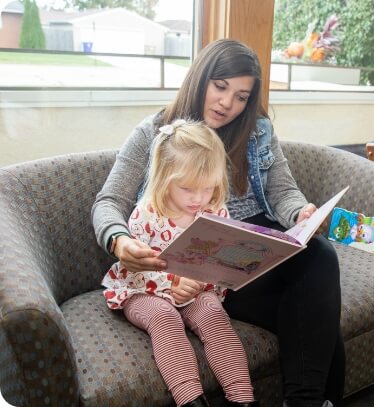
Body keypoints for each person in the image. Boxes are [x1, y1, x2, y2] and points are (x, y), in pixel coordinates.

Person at [92, 39, 345, 407]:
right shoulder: (154, 133)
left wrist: (299, 213)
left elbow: (283, 191)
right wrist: (119, 241)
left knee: (320, 254)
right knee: (319, 324)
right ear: (200, 79)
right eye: (221, 87)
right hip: (200, 264)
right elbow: (108, 202)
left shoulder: (257, 131)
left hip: (254, 251)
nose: (229, 103)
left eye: (242, 96)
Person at [101, 119, 258, 407]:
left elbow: (221, 264)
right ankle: (190, 400)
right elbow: (136, 270)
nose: (199, 198)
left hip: (196, 291)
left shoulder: (215, 212)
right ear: (165, 178)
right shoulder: (146, 215)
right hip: (143, 290)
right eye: (188, 189)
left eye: (208, 188)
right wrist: (173, 283)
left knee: (213, 312)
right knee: (164, 316)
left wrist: (200, 283)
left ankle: (243, 399)